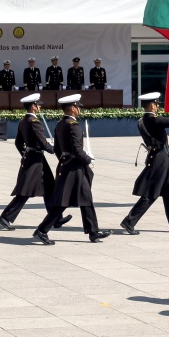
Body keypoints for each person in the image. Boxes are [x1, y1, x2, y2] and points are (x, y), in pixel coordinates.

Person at [32, 95, 109, 244]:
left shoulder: (60, 124)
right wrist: (88, 159)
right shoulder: (73, 125)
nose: (79, 109)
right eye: (78, 107)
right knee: (63, 202)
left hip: (69, 166)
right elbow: (78, 150)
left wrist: (64, 160)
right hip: (74, 169)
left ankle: (93, 232)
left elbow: (57, 149)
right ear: (73, 108)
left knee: (86, 198)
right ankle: (41, 230)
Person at [121, 93, 169, 235]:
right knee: (151, 193)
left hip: (160, 157)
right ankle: (129, 221)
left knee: (168, 192)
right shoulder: (154, 120)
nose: (157, 107)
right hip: (159, 159)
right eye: (156, 104)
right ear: (152, 106)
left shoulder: (145, 120)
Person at [0, 93, 66, 231]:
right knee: (26, 190)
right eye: (38, 105)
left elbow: (18, 143)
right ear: (34, 106)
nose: (40, 107)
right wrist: (55, 149)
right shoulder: (34, 122)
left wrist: (25, 153)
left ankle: (56, 219)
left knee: (49, 186)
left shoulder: (23, 121)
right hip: (35, 160)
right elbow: (43, 142)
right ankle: (6, 217)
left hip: (34, 157)